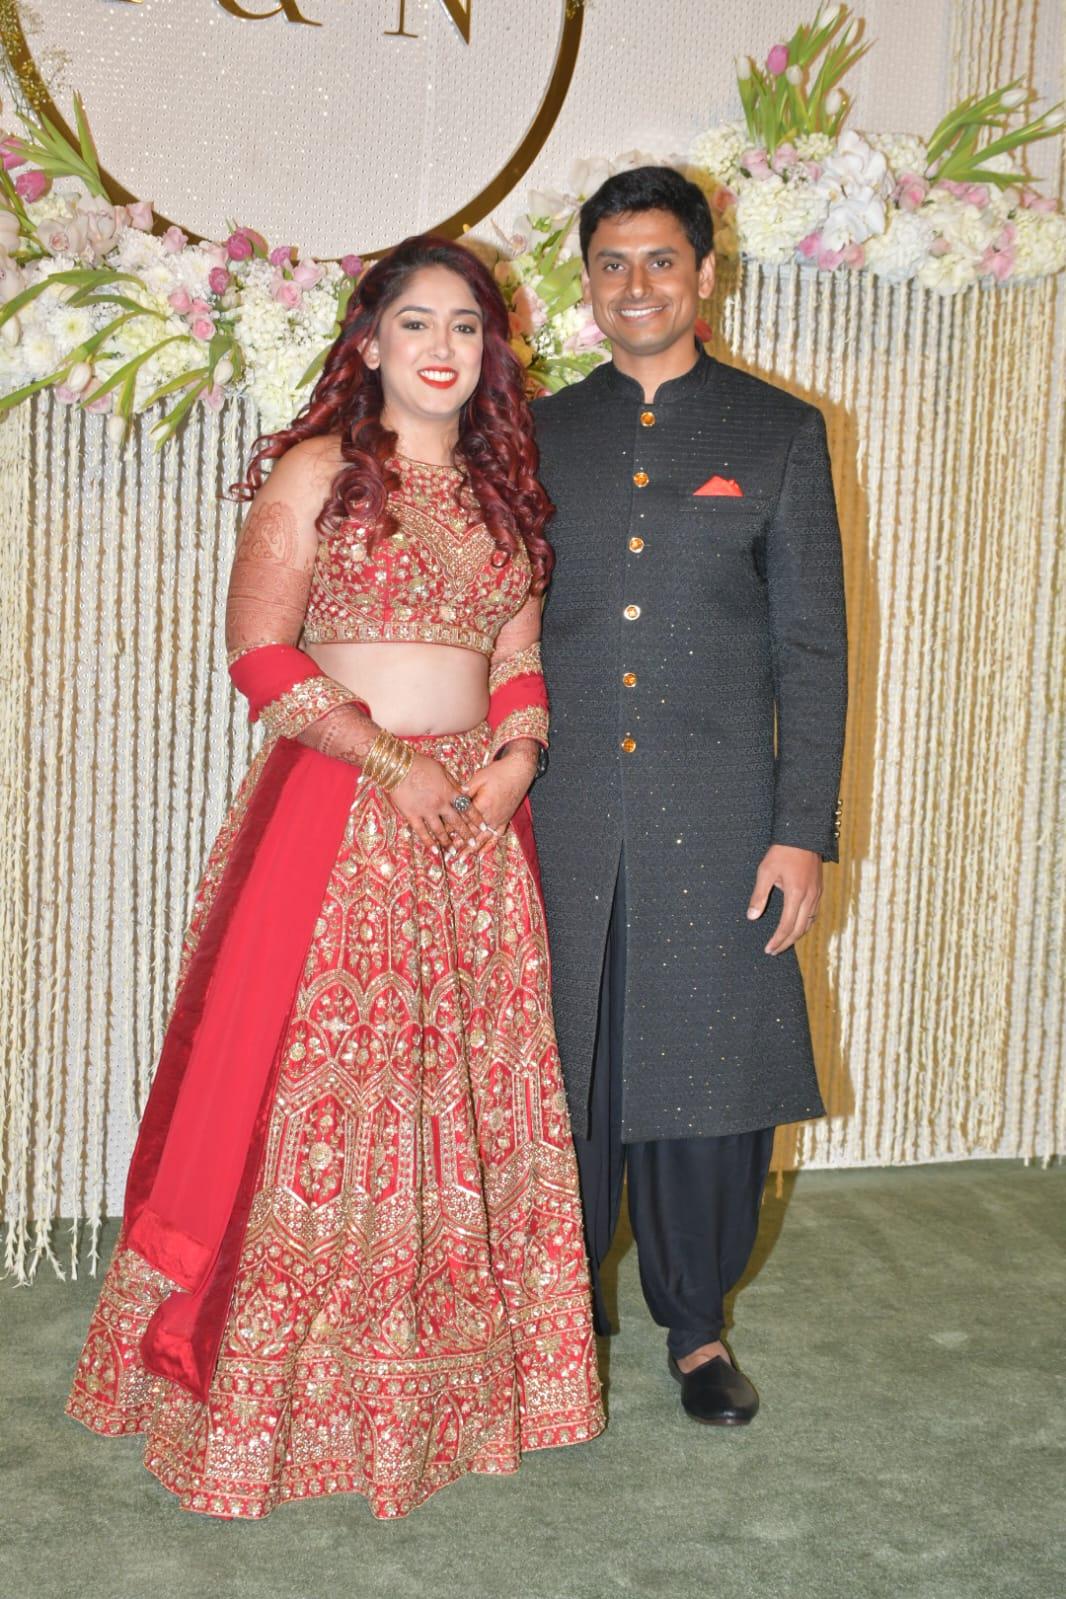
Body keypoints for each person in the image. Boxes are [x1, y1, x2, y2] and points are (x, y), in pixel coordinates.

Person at [66, 235, 604, 1519]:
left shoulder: (504, 499)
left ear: (491, 352)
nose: (441, 346)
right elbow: (258, 652)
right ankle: (280, 1395)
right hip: (346, 812)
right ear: (367, 344)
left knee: (461, 1090)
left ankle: (450, 1390)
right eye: (415, 322)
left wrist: (517, 756)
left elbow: (518, 652)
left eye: (466, 326)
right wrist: (384, 761)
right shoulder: (319, 475)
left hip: (476, 822)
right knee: (321, 1091)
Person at [530, 167, 847, 1426]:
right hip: (555, 811)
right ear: (589, 284)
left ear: (706, 274)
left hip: (720, 816)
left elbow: (810, 651)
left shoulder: (776, 433)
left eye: (661, 260)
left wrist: (798, 832)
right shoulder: (543, 432)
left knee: (707, 1079)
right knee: (563, 1068)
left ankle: (695, 1335)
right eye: (612, 263)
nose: (637, 285)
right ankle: (555, 1316)